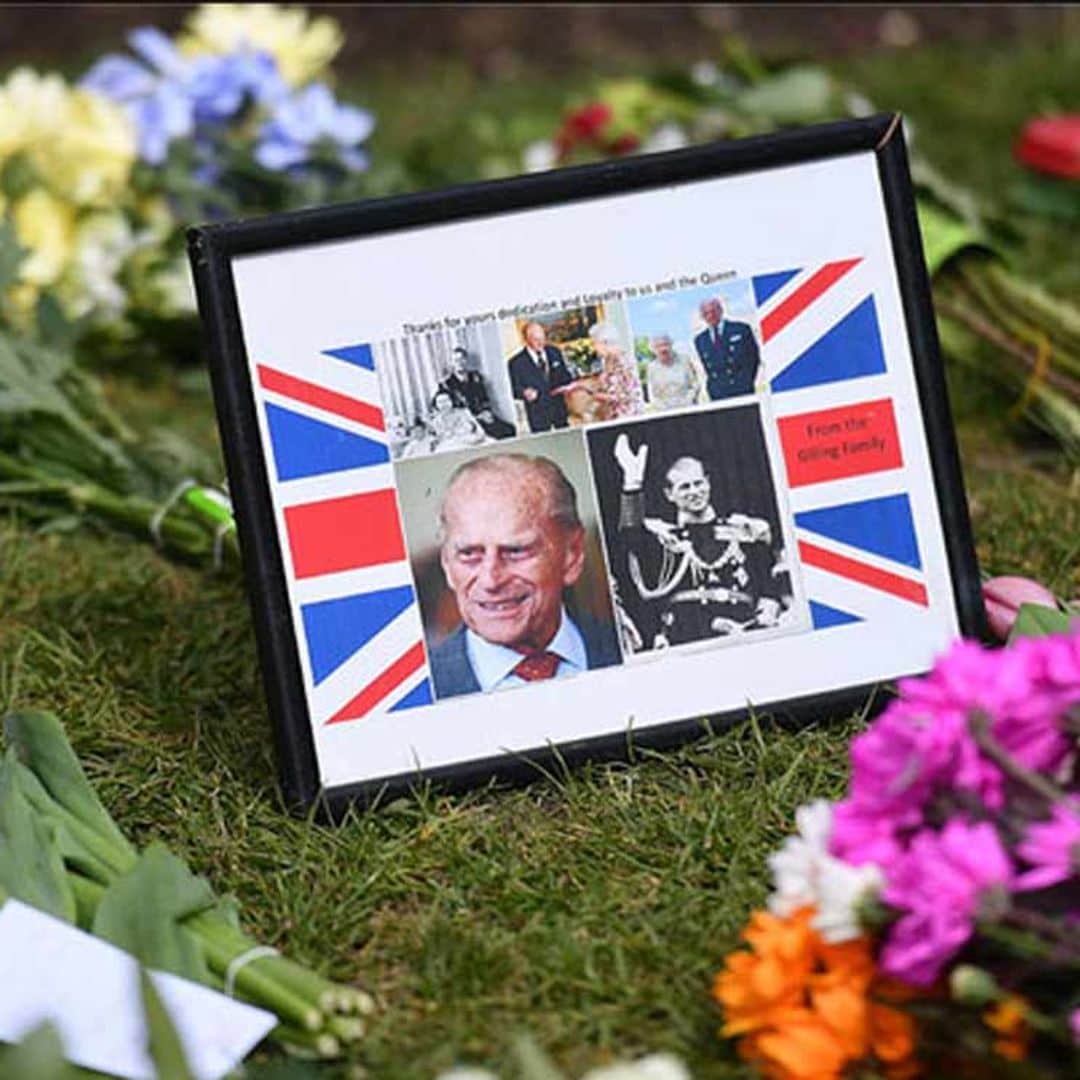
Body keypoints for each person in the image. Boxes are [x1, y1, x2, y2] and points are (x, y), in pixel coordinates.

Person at [428, 453, 622, 698]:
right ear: (446, 564)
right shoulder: (421, 686)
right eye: (469, 554)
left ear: (571, 555)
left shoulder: (624, 648)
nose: (491, 580)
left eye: (515, 551)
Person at [610, 432, 787, 652]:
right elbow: (631, 537)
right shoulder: (667, 539)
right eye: (684, 487)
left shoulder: (741, 532)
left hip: (745, 637)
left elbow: (768, 584)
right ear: (669, 494)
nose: (694, 492)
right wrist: (632, 483)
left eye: (698, 483)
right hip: (687, 641)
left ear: (708, 483)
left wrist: (769, 610)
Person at [435, 346, 516, 440]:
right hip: (464, 421)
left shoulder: (476, 377)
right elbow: (449, 409)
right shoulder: (446, 384)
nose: (459, 363)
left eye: (462, 359)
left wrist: (487, 412)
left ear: (466, 360)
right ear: (452, 363)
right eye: (456, 360)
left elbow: (484, 399)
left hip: (483, 415)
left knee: (510, 430)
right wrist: (474, 418)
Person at [507, 322, 574, 433]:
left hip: (559, 411)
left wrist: (568, 385)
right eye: (535, 339)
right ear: (526, 339)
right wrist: (524, 392)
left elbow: (566, 377)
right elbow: (513, 389)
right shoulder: (516, 363)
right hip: (538, 416)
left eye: (542, 338)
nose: (541, 343)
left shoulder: (555, 352)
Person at [692, 296, 761, 400]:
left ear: (720, 310)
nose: (710, 316)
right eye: (706, 313)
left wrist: (746, 382)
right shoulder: (700, 339)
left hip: (742, 389)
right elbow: (708, 369)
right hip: (717, 393)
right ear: (702, 317)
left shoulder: (741, 329)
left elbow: (753, 358)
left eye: (713, 311)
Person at [580, 322, 644, 420]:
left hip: (629, 416)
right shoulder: (607, 360)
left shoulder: (624, 360)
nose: (594, 348)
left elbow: (630, 395)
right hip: (613, 416)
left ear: (605, 343)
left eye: (594, 343)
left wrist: (603, 397)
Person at [645, 333, 705, 412]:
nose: (663, 349)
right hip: (664, 411)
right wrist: (661, 408)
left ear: (671, 345)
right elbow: (652, 393)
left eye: (665, 344)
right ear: (653, 350)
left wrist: (688, 401)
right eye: (658, 346)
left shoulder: (684, 360)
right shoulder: (651, 368)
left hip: (688, 407)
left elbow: (695, 384)